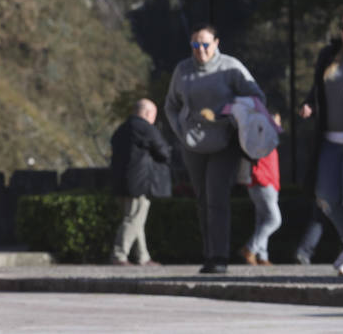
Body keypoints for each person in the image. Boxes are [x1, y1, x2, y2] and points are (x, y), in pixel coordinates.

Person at [164, 25, 265, 274]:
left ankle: (220, 256)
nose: (201, 50)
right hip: (194, 143)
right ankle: (209, 254)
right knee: (202, 199)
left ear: (216, 43)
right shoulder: (183, 70)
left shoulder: (230, 67)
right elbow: (171, 105)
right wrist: (181, 131)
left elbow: (256, 97)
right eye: (196, 45)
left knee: (216, 197)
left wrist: (231, 115)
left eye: (206, 44)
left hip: (225, 141)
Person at [297, 12, 343, 275]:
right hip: (330, 139)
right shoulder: (329, 55)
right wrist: (309, 105)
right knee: (326, 198)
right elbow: (318, 89)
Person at [108, 97, 170, 267]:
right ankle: (119, 255)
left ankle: (143, 256)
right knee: (133, 219)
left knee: (136, 220)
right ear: (149, 113)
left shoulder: (121, 129)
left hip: (121, 182)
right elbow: (163, 152)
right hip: (140, 182)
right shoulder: (145, 128)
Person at [239, 112, 282, 265]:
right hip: (263, 181)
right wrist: (273, 123)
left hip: (262, 181)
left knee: (262, 220)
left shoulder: (265, 138)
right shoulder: (264, 136)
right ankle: (251, 248)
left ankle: (262, 255)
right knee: (275, 220)